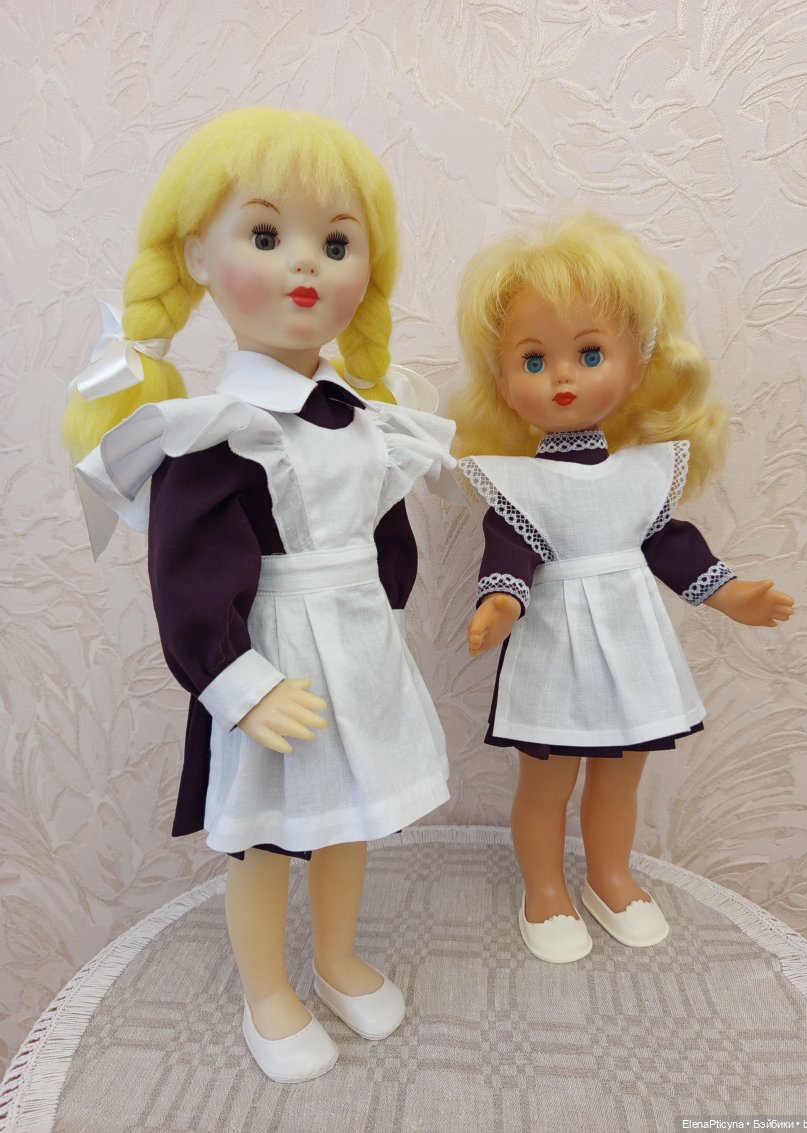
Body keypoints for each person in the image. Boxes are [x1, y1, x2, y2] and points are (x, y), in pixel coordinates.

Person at [63, 107, 459, 1081]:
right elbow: (187, 573)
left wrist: (386, 611)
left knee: (351, 817)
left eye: (337, 243)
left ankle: (336, 957)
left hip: (358, 649)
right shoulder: (216, 429)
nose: (306, 264)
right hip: (271, 654)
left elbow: (382, 526)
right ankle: (266, 988)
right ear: (199, 256)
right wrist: (236, 682)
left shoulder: (366, 418)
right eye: (267, 235)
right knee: (265, 838)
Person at [450, 213, 794, 964]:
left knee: (620, 775)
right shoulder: (521, 484)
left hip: (633, 644)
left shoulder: (643, 473)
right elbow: (509, 550)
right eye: (533, 359)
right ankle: (545, 886)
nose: (562, 376)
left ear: (638, 366)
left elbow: (670, 544)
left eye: (590, 353)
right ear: (503, 381)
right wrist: (500, 603)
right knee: (547, 780)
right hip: (553, 647)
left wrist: (731, 594)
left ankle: (610, 875)